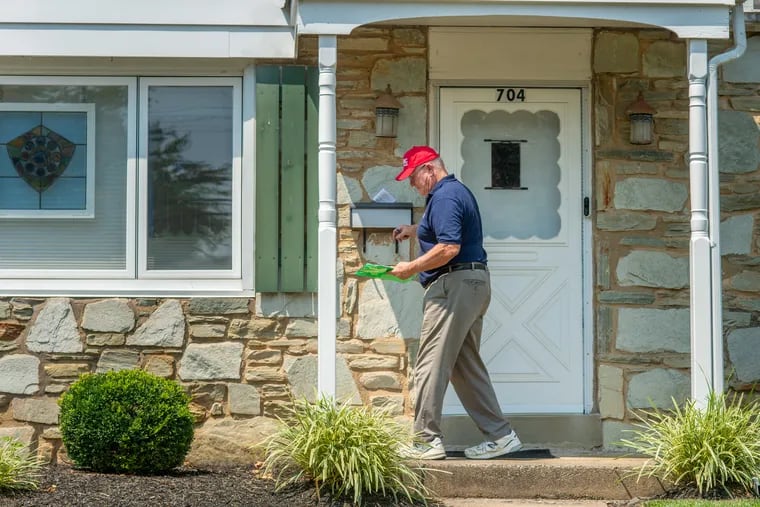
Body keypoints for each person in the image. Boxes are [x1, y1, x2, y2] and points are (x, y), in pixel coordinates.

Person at [390, 145, 522, 460]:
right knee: (465, 366)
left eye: (413, 177)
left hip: (454, 285)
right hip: (471, 284)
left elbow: (449, 247)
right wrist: (414, 230)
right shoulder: (451, 194)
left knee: (429, 363)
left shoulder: (446, 197)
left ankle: (425, 440)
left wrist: (411, 267)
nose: (411, 184)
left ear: (429, 170)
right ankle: (500, 436)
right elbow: (444, 234)